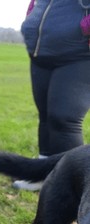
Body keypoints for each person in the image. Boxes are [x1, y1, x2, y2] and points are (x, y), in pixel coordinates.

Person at [14, 0, 90, 190]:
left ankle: (76, 190)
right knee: (46, 116)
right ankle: (44, 176)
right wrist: (31, 20)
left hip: (79, 55)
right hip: (41, 53)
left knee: (64, 120)